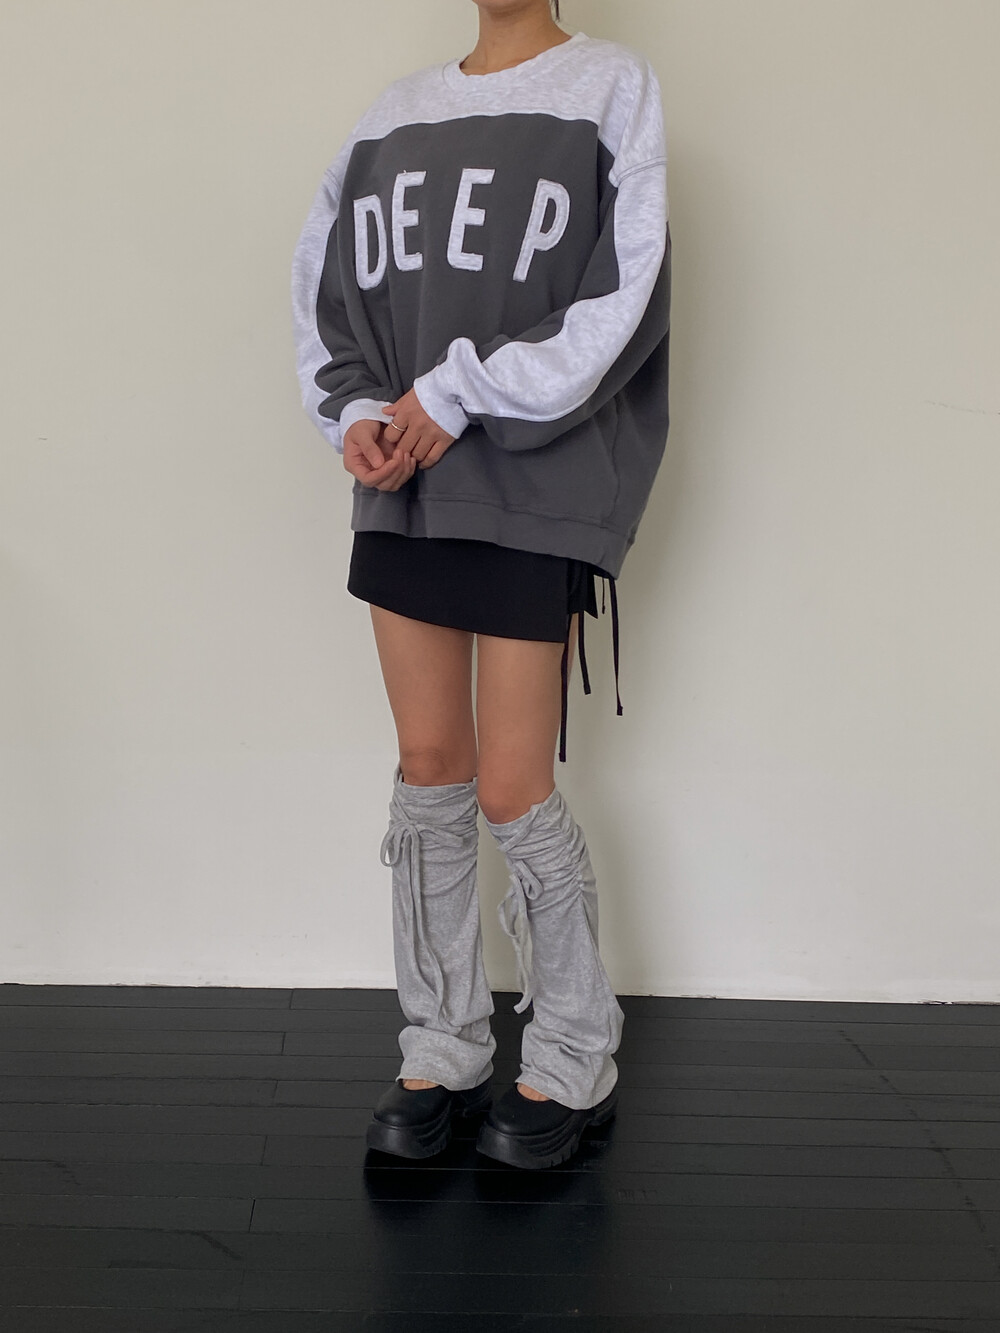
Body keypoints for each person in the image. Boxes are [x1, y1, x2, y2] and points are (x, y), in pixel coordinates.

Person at [291, 0, 671, 1170]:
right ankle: (443, 1043)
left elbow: (620, 297)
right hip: (403, 482)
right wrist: (359, 412)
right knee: (427, 767)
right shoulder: (390, 115)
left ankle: (572, 1048)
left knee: (513, 781)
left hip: (532, 477)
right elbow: (327, 297)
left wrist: (456, 392)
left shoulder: (611, 87)